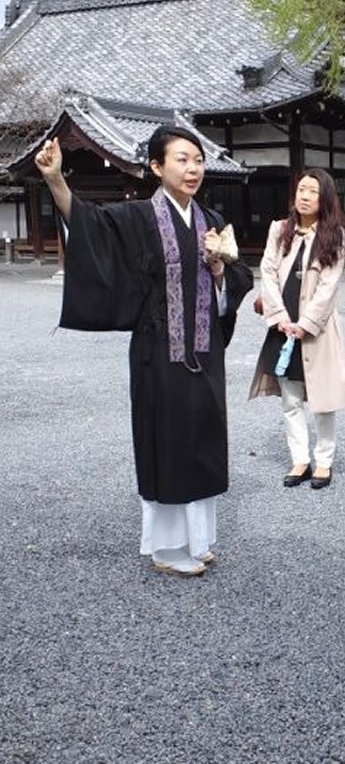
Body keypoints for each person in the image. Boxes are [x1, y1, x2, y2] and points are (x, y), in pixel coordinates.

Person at [34, 127, 254, 577]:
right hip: (159, 352)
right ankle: (167, 547)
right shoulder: (137, 217)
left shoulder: (210, 218)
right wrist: (57, 180)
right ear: (156, 167)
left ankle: (199, 538)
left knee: (203, 440)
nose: (193, 169)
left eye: (198, 160)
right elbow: (90, 224)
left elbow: (236, 281)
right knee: (168, 440)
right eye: (181, 160)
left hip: (205, 351)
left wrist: (220, 266)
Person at [249, 169, 345, 489]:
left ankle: (323, 461)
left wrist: (306, 324)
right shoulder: (279, 229)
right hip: (283, 325)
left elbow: (329, 286)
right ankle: (299, 460)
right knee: (290, 399)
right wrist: (279, 316)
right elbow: (266, 271)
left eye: (313, 192)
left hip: (316, 329)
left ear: (325, 199)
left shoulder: (334, 235)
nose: (305, 196)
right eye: (301, 190)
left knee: (322, 398)